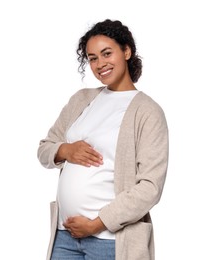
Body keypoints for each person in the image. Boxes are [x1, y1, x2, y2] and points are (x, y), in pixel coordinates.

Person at [37, 19, 169, 260]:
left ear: (126, 51)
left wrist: (97, 224)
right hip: (65, 237)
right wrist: (66, 150)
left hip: (111, 242)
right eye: (92, 58)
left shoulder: (147, 111)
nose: (100, 64)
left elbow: (150, 187)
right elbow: (45, 149)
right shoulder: (81, 99)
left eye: (107, 53)